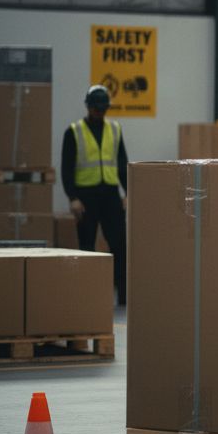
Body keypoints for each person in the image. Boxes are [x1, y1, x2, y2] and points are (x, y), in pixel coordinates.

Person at [61, 84, 129, 305]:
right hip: (85, 197)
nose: (100, 112)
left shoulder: (114, 129)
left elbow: (122, 165)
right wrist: (72, 198)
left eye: (103, 109)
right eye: (96, 109)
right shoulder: (74, 131)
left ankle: (124, 296)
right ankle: (88, 296)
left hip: (110, 195)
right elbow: (66, 168)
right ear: (88, 107)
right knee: (87, 247)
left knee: (119, 245)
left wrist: (128, 193)